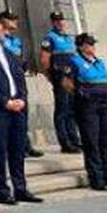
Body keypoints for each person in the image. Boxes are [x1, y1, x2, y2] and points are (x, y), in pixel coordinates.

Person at [0, 17, 44, 206]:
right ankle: (3, 191)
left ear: (4, 32)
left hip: (17, 107)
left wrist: (21, 99)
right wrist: (5, 102)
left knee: (18, 149)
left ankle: (20, 188)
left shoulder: (10, 54)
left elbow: (19, 78)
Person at [66, 33, 107, 192]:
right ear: (81, 46)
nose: (92, 47)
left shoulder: (99, 62)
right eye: (89, 44)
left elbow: (104, 81)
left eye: (93, 44)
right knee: (92, 143)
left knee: (106, 142)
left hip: (103, 105)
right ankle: (97, 178)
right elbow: (66, 83)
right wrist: (79, 93)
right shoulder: (75, 61)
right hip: (88, 106)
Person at [0, 11, 44, 158]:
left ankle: (26, 145)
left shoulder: (16, 40)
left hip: (19, 79)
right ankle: (13, 147)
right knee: (10, 114)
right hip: (6, 80)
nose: (15, 22)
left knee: (23, 112)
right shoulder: (0, 39)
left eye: (16, 19)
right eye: (12, 19)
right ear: (3, 21)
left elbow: (20, 57)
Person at [40, 11, 83, 153]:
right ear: (52, 22)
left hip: (72, 78)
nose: (59, 22)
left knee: (72, 109)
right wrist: (51, 77)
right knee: (62, 110)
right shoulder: (50, 38)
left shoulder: (69, 38)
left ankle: (74, 140)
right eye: (56, 20)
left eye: (61, 20)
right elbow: (45, 60)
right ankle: (65, 143)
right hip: (60, 77)